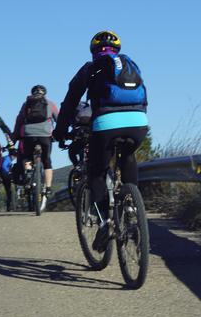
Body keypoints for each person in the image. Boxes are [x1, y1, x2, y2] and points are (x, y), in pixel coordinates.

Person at [54, 30, 148, 252]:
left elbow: (70, 103)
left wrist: (60, 132)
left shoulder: (90, 68)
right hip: (138, 122)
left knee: (96, 171)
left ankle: (106, 222)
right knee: (127, 155)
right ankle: (132, 209)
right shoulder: (130, 65)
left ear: (93, 50)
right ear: (117, 49)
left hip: (106, 124)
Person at [13, 85, 59, 196]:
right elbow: (59, 119)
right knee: (47, 161)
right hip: (45, 135)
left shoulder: (26, 104)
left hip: (28, 134)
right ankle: (48, 188)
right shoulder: (50, 104)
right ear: (44, 93)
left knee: (27, 157)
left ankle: (28, 172)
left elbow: (19, 120)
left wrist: (16, 136)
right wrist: (60, 134)